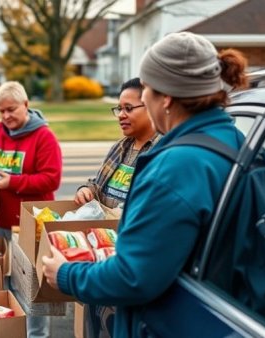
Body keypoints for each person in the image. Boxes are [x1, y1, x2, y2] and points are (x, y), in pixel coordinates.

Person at [42, 31, 248, 337]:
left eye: (147, 90)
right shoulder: (232, 139)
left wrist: (66, 275)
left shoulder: (175, 167)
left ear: (165, 98)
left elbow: (132, 277)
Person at [0, 81, 62, 338]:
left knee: (32, 286)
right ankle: (4, 330)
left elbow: (51, 179)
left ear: (26, 105)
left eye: (11, 109)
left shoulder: (44, 136)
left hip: (31, 225)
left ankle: (36, 335)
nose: (6, 116)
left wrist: (13, 182)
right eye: (1, 111)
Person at [74, 77, 160, 338]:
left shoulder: (160, 152)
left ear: (150, 106)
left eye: (128, 108)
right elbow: (97, 184)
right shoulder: (120, 147)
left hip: (127, 265)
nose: (121, 115)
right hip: (99, 255)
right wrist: (85, 190)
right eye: (118, 109)